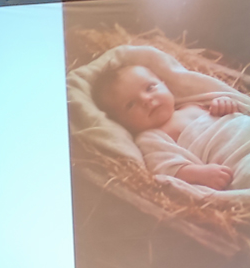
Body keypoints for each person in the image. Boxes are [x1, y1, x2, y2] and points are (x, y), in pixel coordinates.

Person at [92, 63, 242, 189]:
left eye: (150, 88)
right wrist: (200, 174)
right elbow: (165, 167)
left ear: (164, 84)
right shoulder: (150, 138)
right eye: (130, 104)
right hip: (237, 159)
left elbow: (230, 113)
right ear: (121, 122)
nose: (146, 99)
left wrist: (223, 104)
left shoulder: (192, 105)